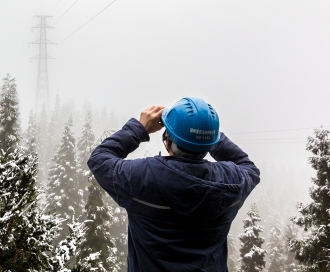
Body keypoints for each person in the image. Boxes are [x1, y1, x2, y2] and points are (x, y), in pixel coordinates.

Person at [88, 97, 260, 271]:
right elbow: (249, 168)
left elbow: (99, 159)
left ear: (168, 140)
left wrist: (139, 128)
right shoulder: (232, 181)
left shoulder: (142, 177)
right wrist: (206, 131)